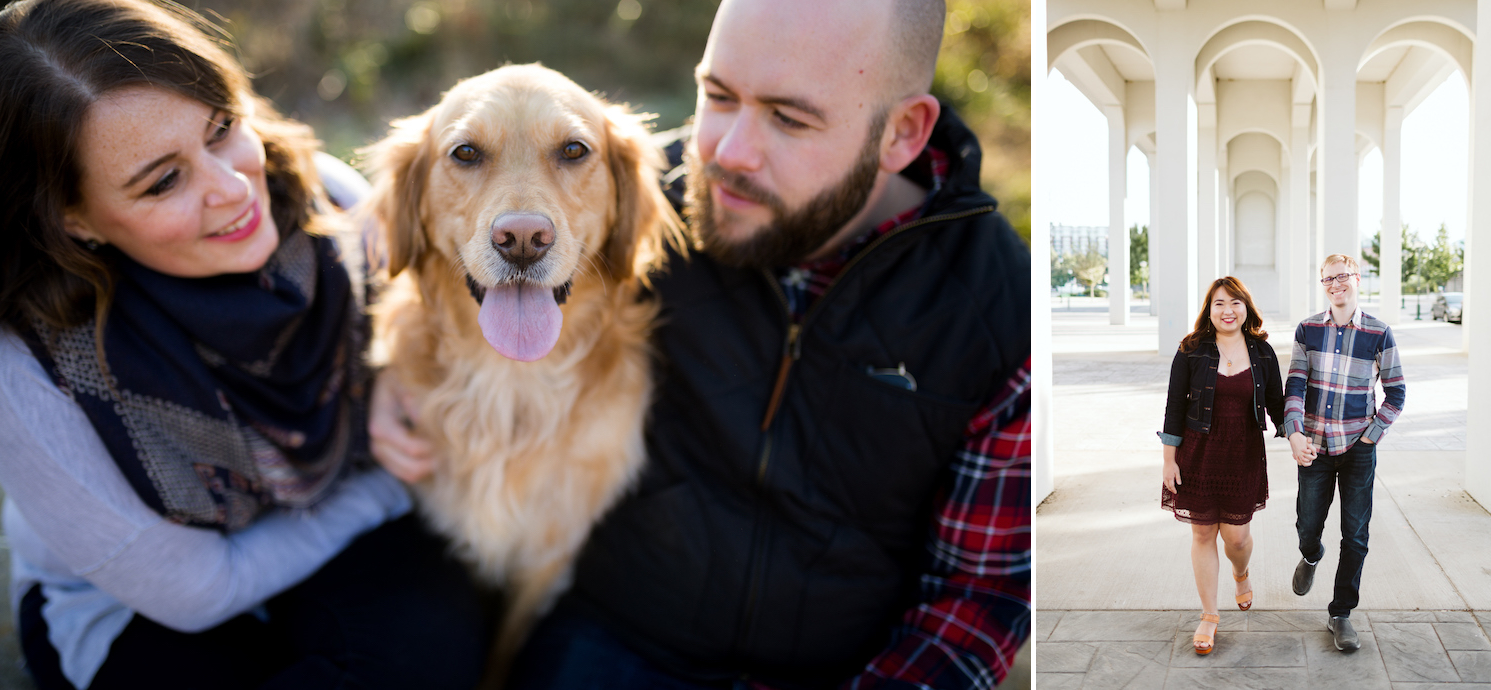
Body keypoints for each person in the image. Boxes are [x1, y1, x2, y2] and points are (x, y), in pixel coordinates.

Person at [377, 0, 1031, 687]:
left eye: (789, 117)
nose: (726, 152)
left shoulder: (999, 314)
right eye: (718, 96)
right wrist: (392, 372)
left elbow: (977, 598)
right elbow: (426, 261)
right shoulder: (641, 194)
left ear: (903, 132)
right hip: (610, 638)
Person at [0, 1, 487, 688]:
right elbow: (195, 592)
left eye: (221, 130)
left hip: (333, 517)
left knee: (432, 656)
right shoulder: (27, 367)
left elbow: (456, 368)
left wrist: (406, 378)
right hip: (139, 605)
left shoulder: (331, 209)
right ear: (73, 218)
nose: (232, 189)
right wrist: (383, 480)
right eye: (164, 180)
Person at [1158, 277, 1285, 655]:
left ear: (1246, 308)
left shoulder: (1262, 351)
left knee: (1237, 538)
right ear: (1208, 309)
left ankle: (1241, 573)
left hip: (1243, 454)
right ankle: (1209, 615)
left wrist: (1297, 435)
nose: (1227, 310)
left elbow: (1277, 403)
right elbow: (1174, 407)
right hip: (1197, 453)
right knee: (1201, 534)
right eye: (1218, 303)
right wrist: (1169, 460)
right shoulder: (1192, 349)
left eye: (1235, 302)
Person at [1285, 254, 1405, 652]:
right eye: (1327, 279)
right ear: (1322, 284)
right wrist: (1295, 432)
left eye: (1342, 277)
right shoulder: (1308, 330)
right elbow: (1296, 386)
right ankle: (1311, 555)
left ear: (1357, 279)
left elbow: (1396, 391)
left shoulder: (1379, 333)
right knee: (1307, 525)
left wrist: (1373, 434)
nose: (1336, 284)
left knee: (1355, 535)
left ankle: (1341, 613)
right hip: (1315, 448)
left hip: (1358, 448)